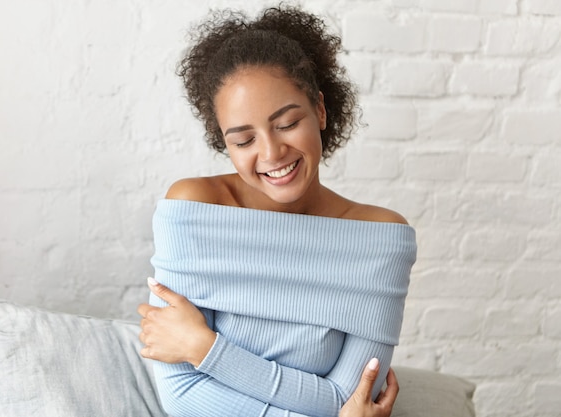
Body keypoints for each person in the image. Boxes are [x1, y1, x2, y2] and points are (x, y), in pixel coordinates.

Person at [138, 4, 416, 416]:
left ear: (320, 110)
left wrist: (205, 348)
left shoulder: (382, 240)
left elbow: (348, 398)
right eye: (244, 140)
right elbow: (182, 393)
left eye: (286, 124)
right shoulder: (195, 210)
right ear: (225, 144)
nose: (271, 153)